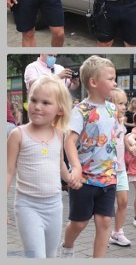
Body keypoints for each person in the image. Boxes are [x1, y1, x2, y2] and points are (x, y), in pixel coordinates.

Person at [6, 76, 76, 258]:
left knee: (51, 255)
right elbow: (7, 170)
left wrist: (70, 179)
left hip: (54, 205)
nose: (37, 106)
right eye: (34, 100)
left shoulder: (59, 134)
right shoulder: (18, 134)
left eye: (46, 102)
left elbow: (60, 162)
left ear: (60, 110)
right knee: (36, 256)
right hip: (27, 206)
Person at [61, 55, 118, 258]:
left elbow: (115, 136)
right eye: (110, 79)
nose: (115, 83)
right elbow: (69, 141)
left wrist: (130, 141)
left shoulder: (113, 109)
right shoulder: (81, 110)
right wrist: (75, 167)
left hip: (109, 177)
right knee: (79, 222)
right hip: (84, 179)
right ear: (93, 82)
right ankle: (67, 246)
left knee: (104, 222)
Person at [108, 88, 134, 247]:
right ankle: (102, 234)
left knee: (123, 201)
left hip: (120, 168)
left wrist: (130, 147)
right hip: (106, 170)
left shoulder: (121, 121)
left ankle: (117, 233)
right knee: (104, 208)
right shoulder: (106, 121)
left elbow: (122, 138)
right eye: (120, 103)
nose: (124, 107)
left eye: (125, 103)